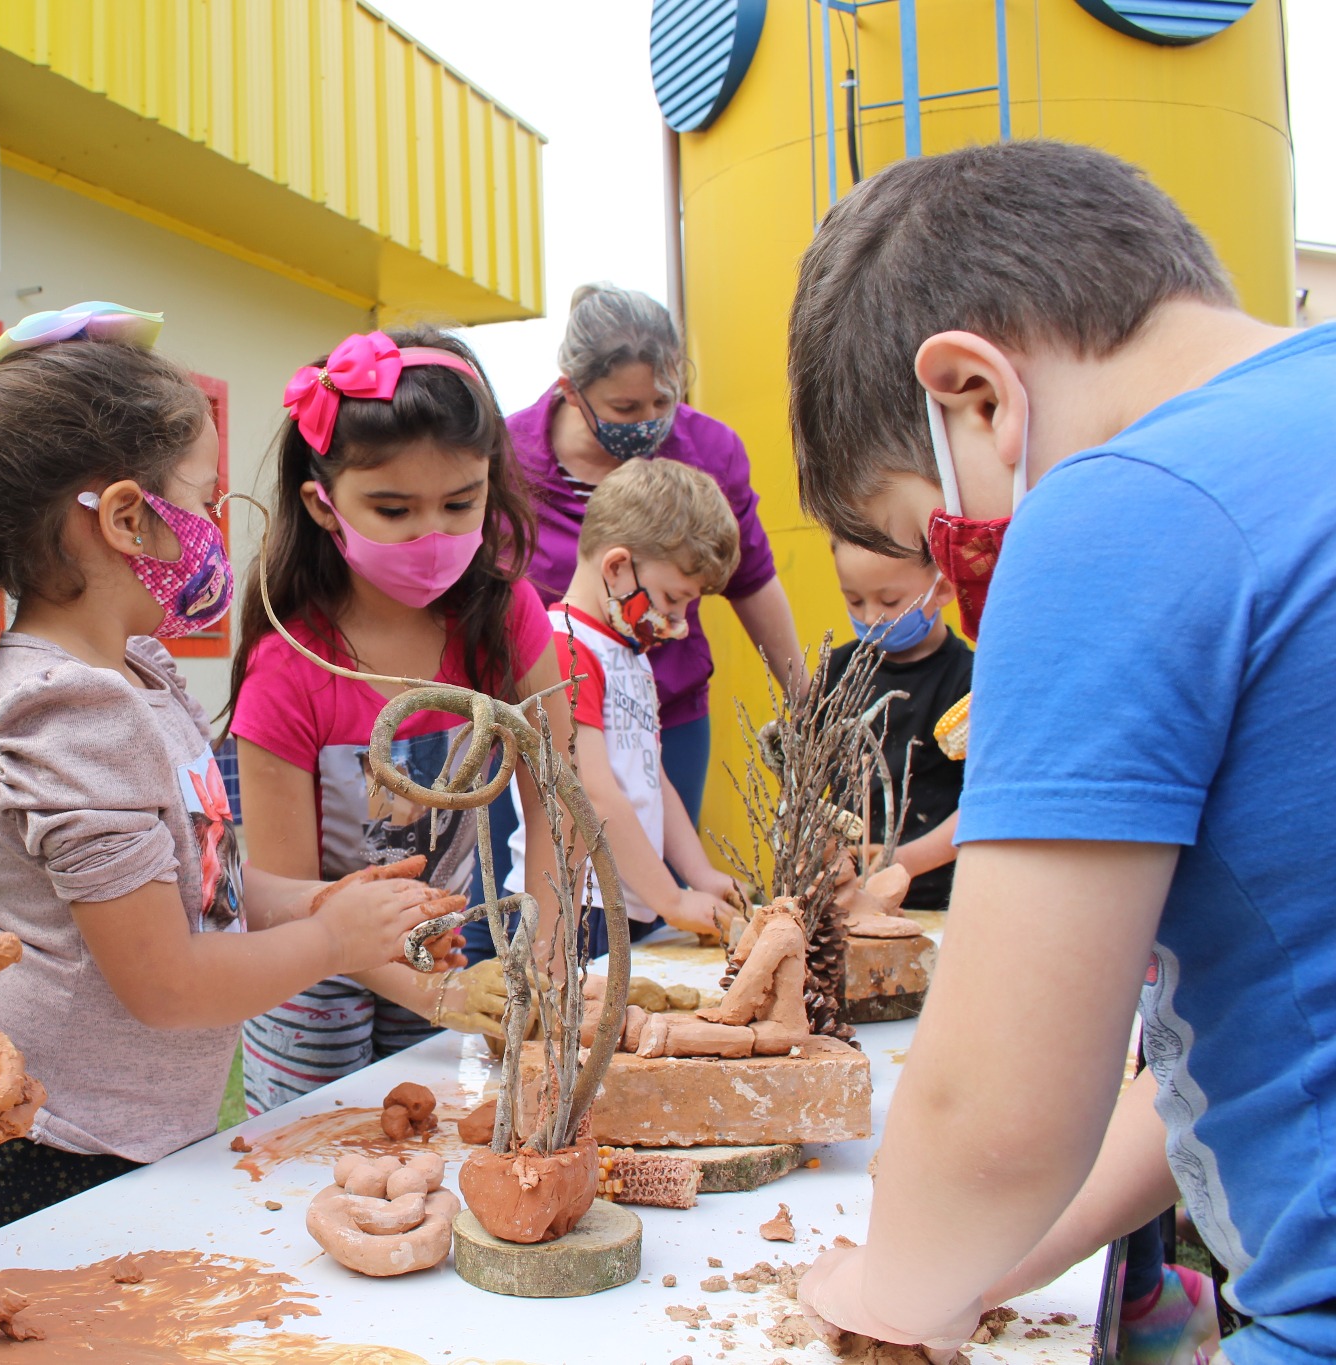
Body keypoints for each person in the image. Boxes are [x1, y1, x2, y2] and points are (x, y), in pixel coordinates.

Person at [785, 140, 1330, 1365]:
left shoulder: (1117, 507)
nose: (952, 583)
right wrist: (1004, 1255)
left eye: (925, 537)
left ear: (976, 394)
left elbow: (994, 1109)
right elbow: (1251, 1041)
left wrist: (893, 1290)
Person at [0, 303, 452, 1239]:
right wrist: (335, 949)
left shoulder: (138, 670)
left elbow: (198, 884)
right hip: (63, 1148)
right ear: (127, 516)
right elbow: (165, 981)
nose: (219, 525)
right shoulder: (68, 713)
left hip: (139, 1128)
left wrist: (321, 906)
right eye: (203, 499)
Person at [227, 327, 571, 1116]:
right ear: (324, 504)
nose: (433, 536)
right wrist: (437, 993)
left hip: (446, 950)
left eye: (461, 503)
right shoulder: (289, 665)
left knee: (429, 1144)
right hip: (310, 978)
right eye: (393, 509)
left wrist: (542, 956)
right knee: (322, 1161)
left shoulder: (508, 618)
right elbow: (279, 891)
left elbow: (560, 801)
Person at [508, 282, 803, 826]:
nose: (649, 420)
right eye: (625, 407)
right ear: (571, 390)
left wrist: (804, 699)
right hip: (536, 721)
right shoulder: (503, 462)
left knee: (656, 882)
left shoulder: (710, 452)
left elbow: (753, 581)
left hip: (665, 714)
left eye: (663, 402)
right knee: (544, 881)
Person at [503, 457, 743, 950]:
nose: (678, 620)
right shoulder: (564, 648)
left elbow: (652, 781)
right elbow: (590, 789)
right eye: (673, 598)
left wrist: (697, 874)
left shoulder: (627, 653)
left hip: (624, 901)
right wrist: (672, 901)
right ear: (617, 567)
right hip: (572, 908)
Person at [821, 539, 972, 908]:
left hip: (938, 899)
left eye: (889, 601)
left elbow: (983, 804)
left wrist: (900, 861)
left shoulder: (971, 680)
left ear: (943, 588)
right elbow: (810, 788)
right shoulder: (837, 671)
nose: (871, 616)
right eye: (854, 600)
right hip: (847, 897)